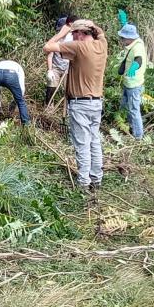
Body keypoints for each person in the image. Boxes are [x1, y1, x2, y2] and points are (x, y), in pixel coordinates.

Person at [43, 18, 108, 190]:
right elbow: (101, 33)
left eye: (73, 34)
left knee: (82, 144)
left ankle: (83, 184)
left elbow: (47, 47)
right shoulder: (102, 45)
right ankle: (97, 179)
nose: (72, 37)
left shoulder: (78, 47)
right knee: (94, 141)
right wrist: (92, 24)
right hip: (96, 103)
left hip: (80, 104)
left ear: (80, 34)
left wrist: (62, 32)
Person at [117, 23, 149, 139]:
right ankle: (125, 127)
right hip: (128, 82)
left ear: (130, 38)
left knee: (134, 110)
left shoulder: (137, 47)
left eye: (123, 38)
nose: (122, 40)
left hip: (134, 84)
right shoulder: (134, 42)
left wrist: (134, 66)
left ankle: (138, 136)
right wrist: (124, 23)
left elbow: (139, 59)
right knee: (124, 106)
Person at [0, 59, 30, 125]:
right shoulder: (19, 68)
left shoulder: (0, 63)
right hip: (11, 75)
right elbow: (22, 90)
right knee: (20, 101)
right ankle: (26, 124)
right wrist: (14, 102)